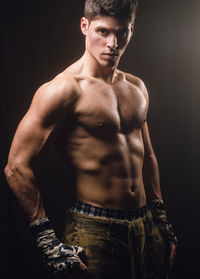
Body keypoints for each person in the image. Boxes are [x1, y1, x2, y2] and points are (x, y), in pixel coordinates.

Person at [4, 0, 177, 278]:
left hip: (145, 225)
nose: (113, 43)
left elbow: (148, 156)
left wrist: (162, 222)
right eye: (103, 32)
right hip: (94, 227)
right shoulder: (63, 90)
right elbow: (16, 166)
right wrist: (47, 241)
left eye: (121, 33)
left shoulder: (136, 86)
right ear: (84, 26)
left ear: (132, 29)